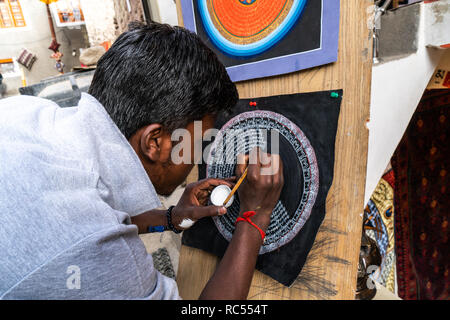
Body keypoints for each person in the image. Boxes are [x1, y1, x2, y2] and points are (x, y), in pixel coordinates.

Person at [0, 22, 283, 300]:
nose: (197, 156)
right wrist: (255, 215)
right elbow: (84, 235)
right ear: (155, 142)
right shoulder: (104, 263)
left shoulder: (24, 110)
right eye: (196, 144)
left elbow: (80, 211)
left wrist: (170, 219)